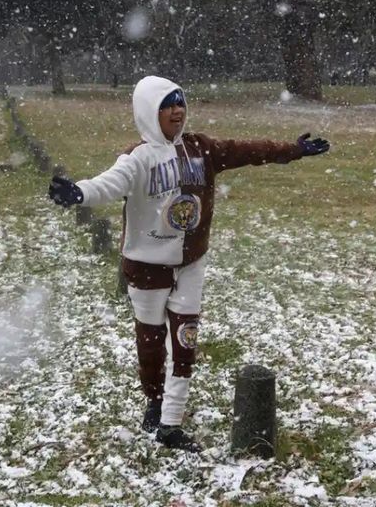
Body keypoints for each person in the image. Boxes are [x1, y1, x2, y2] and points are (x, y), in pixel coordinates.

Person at [49, 76, 329, 452]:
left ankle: (171, 424)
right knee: (150, 344)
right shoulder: (138, 158)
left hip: (191, 264)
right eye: (167, 105)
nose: (177, 111)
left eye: (180, 102)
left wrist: (291, 150)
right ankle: (154, 401)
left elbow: (246, 150)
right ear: (150, 112)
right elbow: (110, 183)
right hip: (147, 268)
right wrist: (80, 192)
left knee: (185, 340)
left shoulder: (202, 149)